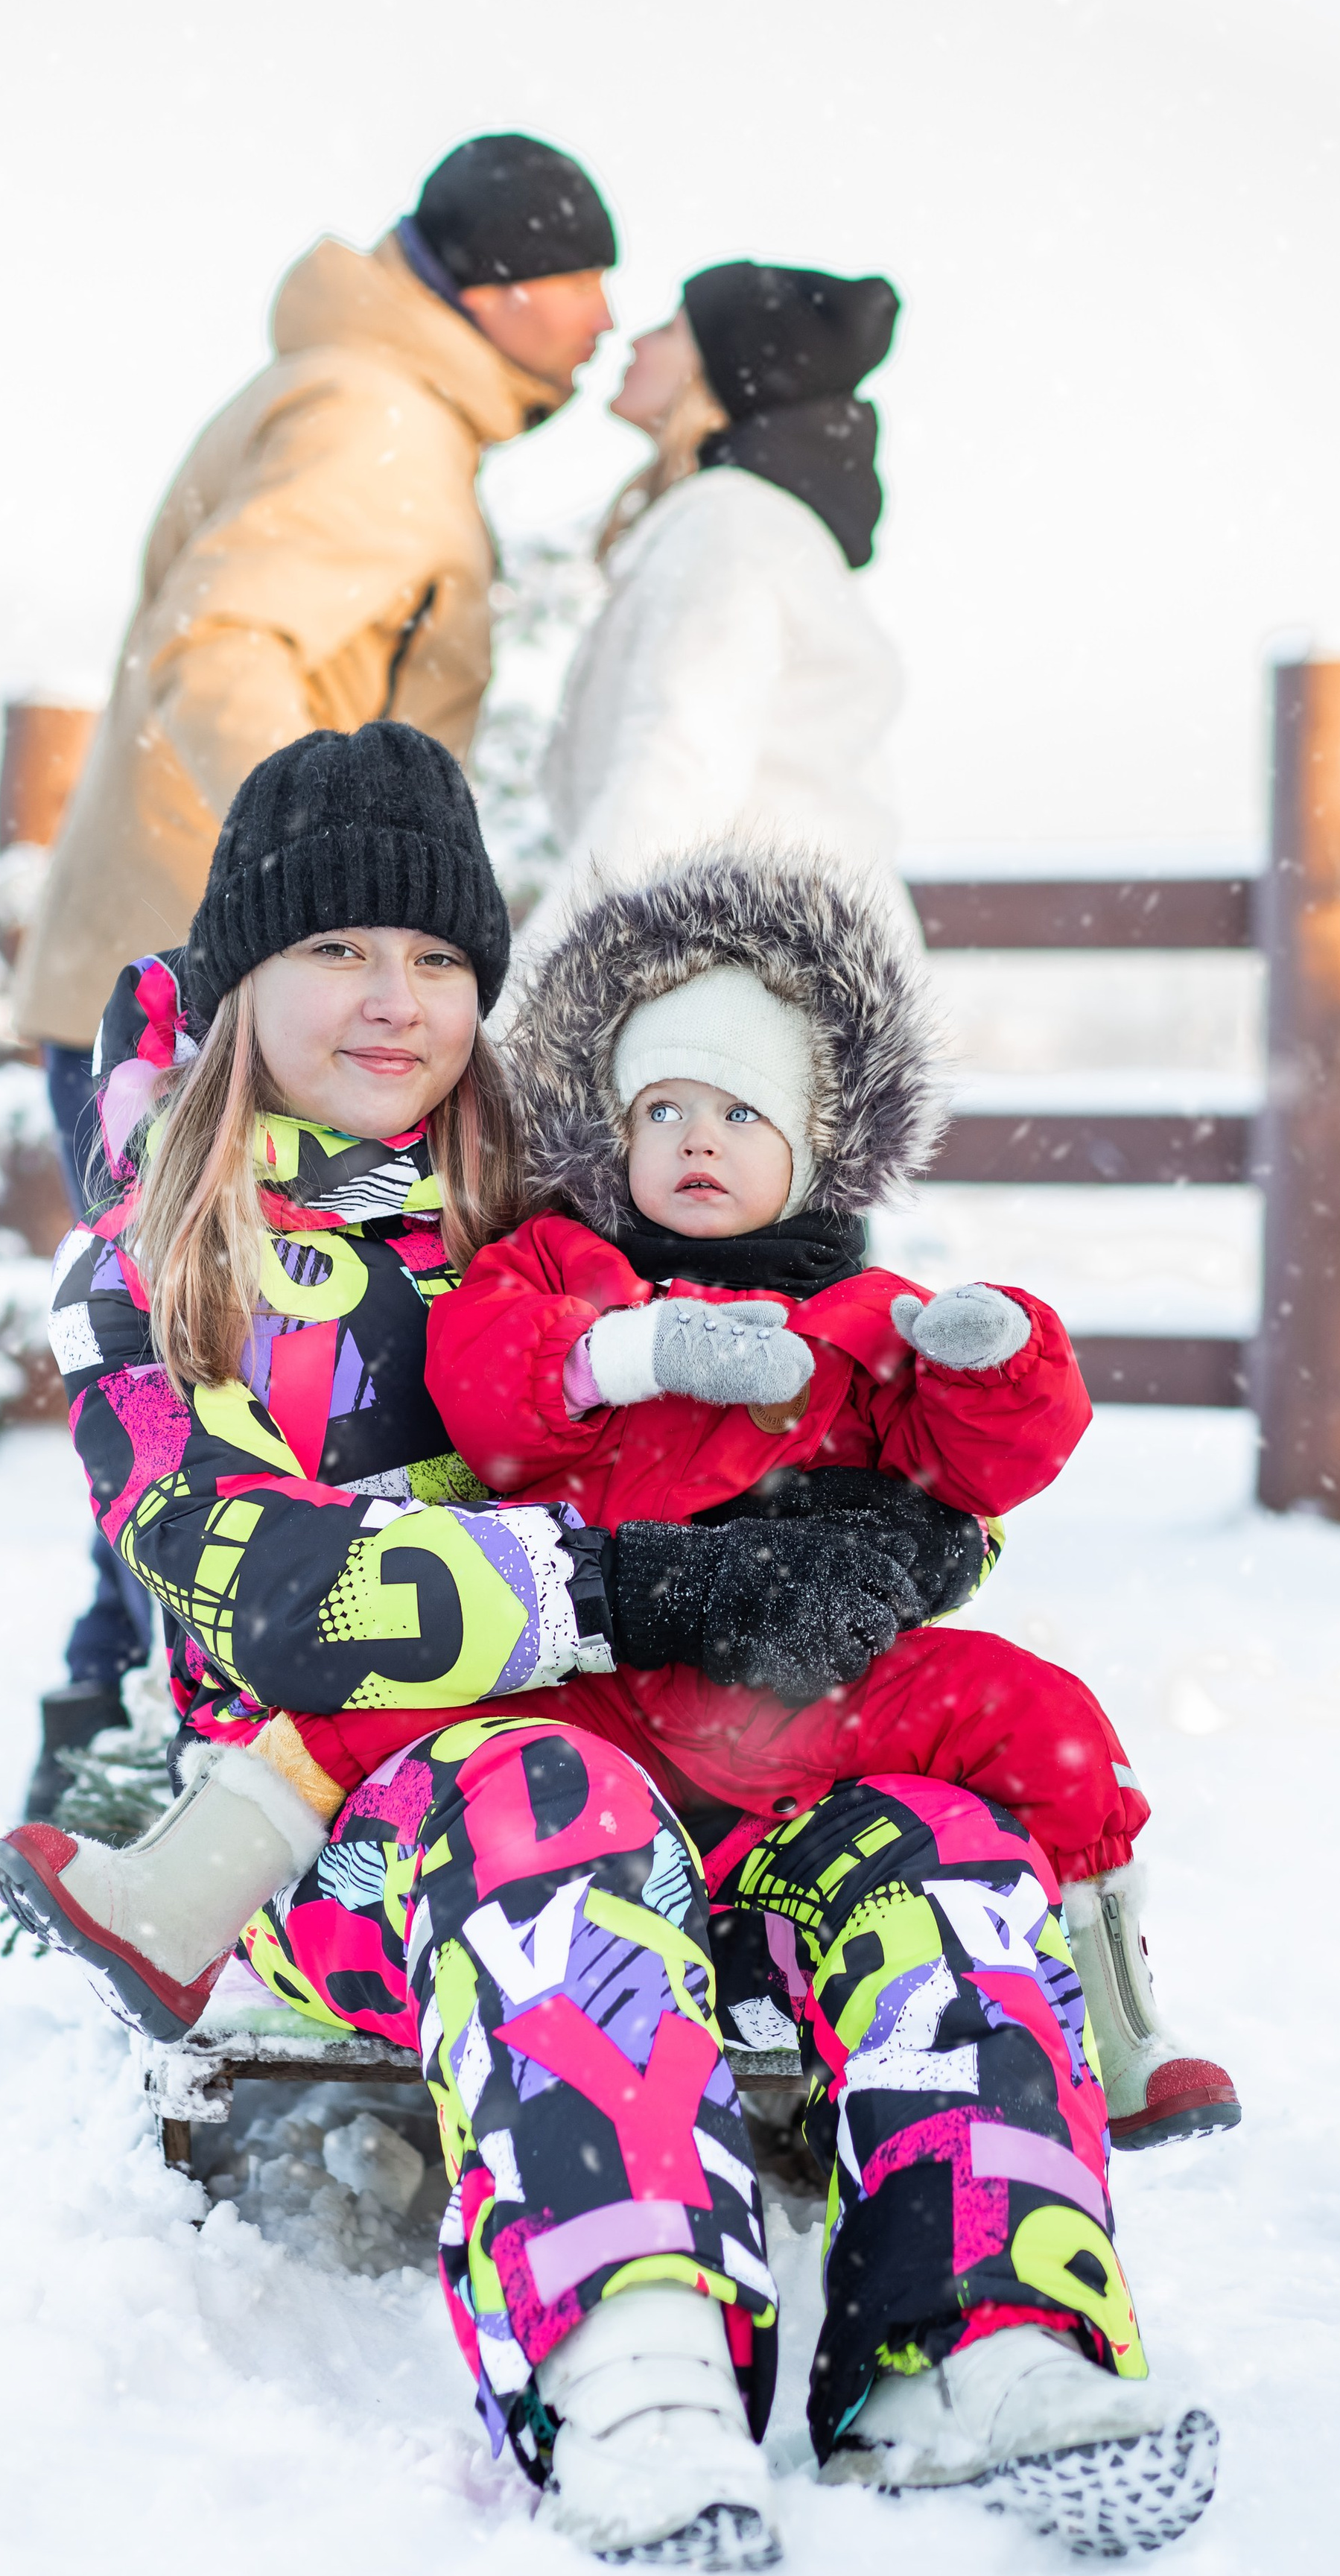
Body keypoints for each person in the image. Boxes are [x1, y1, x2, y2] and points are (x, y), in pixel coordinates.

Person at [0, 727, 1219, 2567]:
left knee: (932, 1830)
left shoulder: (579, 1187)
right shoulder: (167, 1259)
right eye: (335, 950)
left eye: (433, 958)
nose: (390, 998)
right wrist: (635, 1589)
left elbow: (816, 1411)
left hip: (711, 1772)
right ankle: (629, 2362)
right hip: (357, 1834)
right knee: (540, 1789)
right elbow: (257, 1580)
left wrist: (887, 1540)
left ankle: (978, 2336)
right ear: (244, 972)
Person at [429, 843, 1241, 2149]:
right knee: (397, 1699)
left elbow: (972, 1473)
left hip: (805, 1697)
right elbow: (481, 1384)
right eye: (663, 1110)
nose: (698, 1137)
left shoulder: (864, 1320)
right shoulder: (561, 1264)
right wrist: (625, 1352)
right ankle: (196, 1889)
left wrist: (997, 1361)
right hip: (590, 1676)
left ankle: (1121, 2028)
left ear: (818, 1147)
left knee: (1046, 1720)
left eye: (743, 1115)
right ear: (608, 1127)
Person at [10, 134, 617, 1806]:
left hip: (249, 994)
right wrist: (311, 901)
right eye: (583, 276)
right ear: (497, 288)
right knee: (205, 1379)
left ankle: (130, 1733)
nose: (605, 315)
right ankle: (134, 1763)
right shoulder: (379, 422)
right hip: (215, 1015)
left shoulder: (360, 391)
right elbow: (222, 651)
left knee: (233, 1382)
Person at [517, 260, 906, 971]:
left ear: (718, 379)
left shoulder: (731, 533)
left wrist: (534, 998)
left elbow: (675, 774)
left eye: (669, 329)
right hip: (773, 970)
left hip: (755, 994)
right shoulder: (743, 525)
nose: (634, 340)